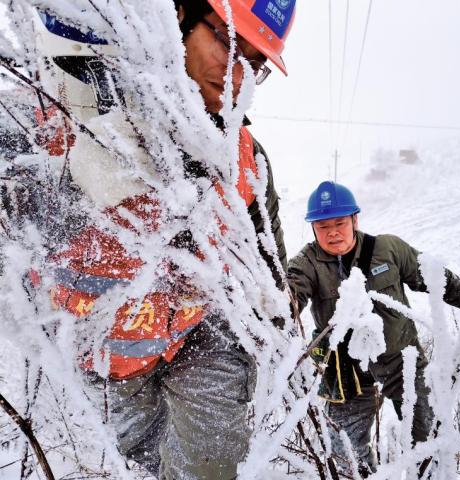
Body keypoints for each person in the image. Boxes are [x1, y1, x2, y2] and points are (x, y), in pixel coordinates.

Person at [1, 1, 295, 478]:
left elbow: (266, 252)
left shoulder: (244, 155)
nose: (238, 72)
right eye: (227, 41)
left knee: (211, 462)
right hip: (105, 361)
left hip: (198, 338)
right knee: (136, 462)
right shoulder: (64, 117)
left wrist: (279, 310)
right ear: (175, 17)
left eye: (256, 63)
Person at [287, 180, 460, 475]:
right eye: (323, 226)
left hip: (401, 360)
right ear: (313, 228)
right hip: (345, 368)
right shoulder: (305, 263)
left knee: (426, 438)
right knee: (345, 451)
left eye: (339, 222)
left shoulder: (388, 249)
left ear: (355, 220)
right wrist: (278, 307)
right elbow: (289, 296)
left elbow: (434, 276)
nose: (332, 232)